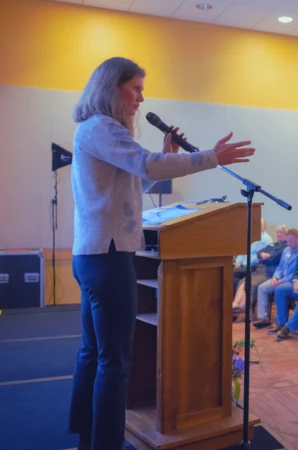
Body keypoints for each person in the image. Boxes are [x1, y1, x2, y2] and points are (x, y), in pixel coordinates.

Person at [68, 57, 254, 450]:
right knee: (114, 362)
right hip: (108, 256)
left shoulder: (96, 130)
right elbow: (148, 165)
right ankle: (103, 444)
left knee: (94, 353)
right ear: (110, 87)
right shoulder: (102, 126)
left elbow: (138, 180)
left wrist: (164, 154)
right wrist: (210, 157)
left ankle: (87, 436)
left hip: (94, 254)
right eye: (134, 87)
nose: (140, 97)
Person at [252, 228, 298, 329]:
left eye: (291, 241)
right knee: (262, 288)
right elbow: (280, 266)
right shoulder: (286, 250)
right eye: (287, 241)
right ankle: (263, 318)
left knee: (280, 289)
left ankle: (280, 322)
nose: (288, 243)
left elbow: (296, 273)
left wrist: (281, 281)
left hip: (291, 281)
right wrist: (275, 277)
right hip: (279, 278)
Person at [232, 224, 286, 317]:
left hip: (269, 273)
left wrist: (261, 259)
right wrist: (262, 255)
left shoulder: (285, 247)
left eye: (281, 232)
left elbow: (273, 259)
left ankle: (239, 309)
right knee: (244, 281)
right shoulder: (272, 245)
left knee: (251, 283)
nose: (278, 234)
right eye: (277, 232)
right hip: (259, 271)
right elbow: (259, 252)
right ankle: (235, 305)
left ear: (286, 234)